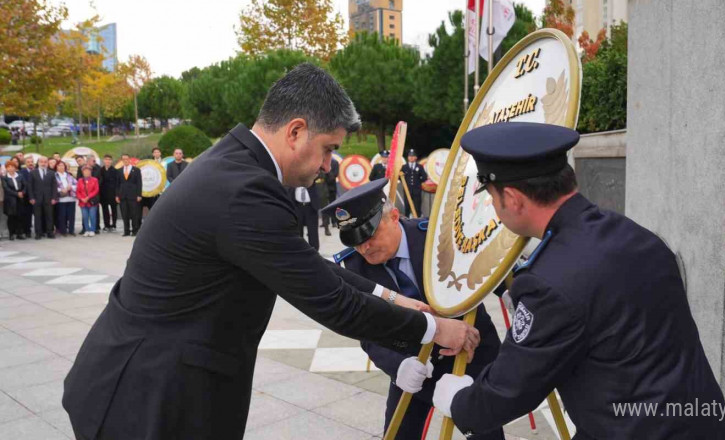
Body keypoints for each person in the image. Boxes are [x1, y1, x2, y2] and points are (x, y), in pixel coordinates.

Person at [62, 63, 480, 440]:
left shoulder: (236, 165)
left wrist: (394, 298)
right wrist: (436, 330)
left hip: (146, 379)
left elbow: (304, 263)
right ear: (296, 131)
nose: (327, 166)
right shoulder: (244, 190)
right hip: (149, 397)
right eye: (329, 149)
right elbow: (331, 303)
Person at [431, 122, 725, 439]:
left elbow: (509, 390)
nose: (494, 208)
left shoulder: (548, 283)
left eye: (492, 197)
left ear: (513, 197)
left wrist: (459, 401)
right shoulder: (637, 235)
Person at [326, 178, 504, 440]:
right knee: (399, 434)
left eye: (370, 234)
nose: (364, 247)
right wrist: (398, 365)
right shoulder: (353, 266)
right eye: (354, 240)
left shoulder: (436, 236)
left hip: (468, 350)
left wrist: (512, 289)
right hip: (413, 362)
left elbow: (483, 260)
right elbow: (365, 328)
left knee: (484, 433)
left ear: (394, 216)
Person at [28, 156, 58, 240]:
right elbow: (30, 186)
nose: (43, 163)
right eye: (41, 162)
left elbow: (54, 186)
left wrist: (54, 198)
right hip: (37, 199)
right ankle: (38, 233)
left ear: (47, 163)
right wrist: (31, 198)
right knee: (37, 217)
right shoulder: (33, 172)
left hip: (48, 199)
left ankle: (50, 232)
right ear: (38, 163)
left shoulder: (51, 173)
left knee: (49, 216)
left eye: (45, 162)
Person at [289, 182, 322, 250]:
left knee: (313, 232)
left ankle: (314, 251)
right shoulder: (294, 179)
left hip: (310, 207)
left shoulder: (310, 178)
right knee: (298, 231)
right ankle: (299, 250)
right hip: (297, 206)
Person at [116, 153, 142, 236]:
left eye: (127, 159)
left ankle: (135, 231)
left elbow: (139, 183)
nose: (125, 160)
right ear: (122, 160)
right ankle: (126, 231)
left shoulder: (136, 170)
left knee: (134, 214)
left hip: (133, 195)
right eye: (123, 159)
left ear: (129, 159)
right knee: (124, 214)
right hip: (123, 196)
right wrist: (117, 195)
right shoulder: (119, 171)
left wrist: (139, 195)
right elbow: (117, 184)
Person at [2, 161, 27, 240]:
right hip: (10, 200)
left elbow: (25, 185)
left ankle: (20, 233)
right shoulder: (5, 178)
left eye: (12, 166)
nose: (11, 168)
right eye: (9, 167)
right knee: (11, 217)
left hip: (20, 199)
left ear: (15, 167)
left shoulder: (20, 176)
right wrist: (17, 194)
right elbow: (6, 189)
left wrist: (23, 192)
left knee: (20, 217)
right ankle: (11, 234)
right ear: (6, 168)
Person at [400, 149, 427, 217]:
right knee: (407, 206)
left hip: (417, 190)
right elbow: (399, 177)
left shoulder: (419, 167)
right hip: (407, 190)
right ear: (408, 157)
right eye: (410, 156)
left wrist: (418, 182)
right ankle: (407, 220)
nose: (411, 157)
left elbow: (424, 177)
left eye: (413, 156)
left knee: (417, 206)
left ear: (416, 157)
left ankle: (417, 220)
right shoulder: (404, 167)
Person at [54, 161, 77, 237]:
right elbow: (53, 187)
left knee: (71, 216)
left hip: (71, 198)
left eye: (63, 165)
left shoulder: (69, 175)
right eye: (59, 165)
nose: (61, 167)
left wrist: (71, 187)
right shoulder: (54, 176)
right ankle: (63, 231)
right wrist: (61, 190)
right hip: (61, 199)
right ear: (56, 167)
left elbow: (76, 184)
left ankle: (71, 230)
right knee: (62, 216)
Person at [76, 165, 100, 237]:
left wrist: (88, 197)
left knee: (92, 216)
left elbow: (96, 190)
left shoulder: (95, 180)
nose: (87, 172)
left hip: (91, 201)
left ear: (90, 172)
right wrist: (82, 198)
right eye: (85, 171)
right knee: (85, 216)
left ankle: (92, 230)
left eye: (88, 171)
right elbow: (78, 191)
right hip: (83, 202)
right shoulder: (80, 180)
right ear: (82, 172)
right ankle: (87, 230)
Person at [99, 154, 119, 232]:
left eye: (109, 159)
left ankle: (113, 225)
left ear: (111, 161)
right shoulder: (100, 170)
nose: (107, 161)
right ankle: (106, 225)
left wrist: (117, 194)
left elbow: (117, 183)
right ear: (104, 160)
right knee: (105, 210)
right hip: (103, 194)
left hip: (113, 194)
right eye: (106, 159)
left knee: (114, 210)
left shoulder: (115, 171)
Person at [140, 148, 162, 215]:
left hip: (163, 187)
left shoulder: (165, 162)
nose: (156, 153)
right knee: (153, 206)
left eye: (158, 152)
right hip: (153, 187)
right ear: (153, 154)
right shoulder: (150, 163)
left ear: (160, 153)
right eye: (155, 152)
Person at [20, 156, 34, 238]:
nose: (30, 163)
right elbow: (25, 184)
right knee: (27, 215)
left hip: (37, 196)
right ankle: (27, 231)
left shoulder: (36, 171)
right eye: (28, 162)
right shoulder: (22, 172)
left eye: (31, 161)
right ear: (25, 163)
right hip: (27, 197)